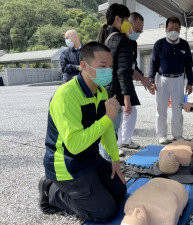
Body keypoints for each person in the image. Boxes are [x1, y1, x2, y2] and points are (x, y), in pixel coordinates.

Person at [39, 42, 127, 222]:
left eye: (110, 66)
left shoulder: (101, 92)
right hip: (67, 164)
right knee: (105, 212)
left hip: (91, 158)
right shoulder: (66, 96)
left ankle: (87, 187)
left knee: (120, 192)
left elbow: (106, 130)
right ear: (84, 65)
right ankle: (52, 191)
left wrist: (114, 159)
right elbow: (74, 145)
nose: (108, 71)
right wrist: (107, 118)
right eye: (103, 66)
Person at [96, 4, 138, 146]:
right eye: (127, 19)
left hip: (102, 90)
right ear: (118, 19)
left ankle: (105, 161)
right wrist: (127, 98)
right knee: (112, 131)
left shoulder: (103, 37)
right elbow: (123, 71)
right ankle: (109, 165)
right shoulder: (122, 40)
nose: (128, 23)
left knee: (104, 129)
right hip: (115, 92)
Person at [149, 16, 193, 144]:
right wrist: (151, 80)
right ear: (166, 29)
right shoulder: (159, 44)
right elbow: (153, 63)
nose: (173, 31)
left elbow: (188, 65)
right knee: (161, 108)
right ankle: (162, 135)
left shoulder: (184, 45)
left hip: (179, 79)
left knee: (177, 109)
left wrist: (190, 82)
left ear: (180, 29)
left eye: (176, 29)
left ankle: (177, 135)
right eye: (170, 28)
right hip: (162, 79)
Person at [117, 12, 152, 149]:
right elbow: (122, 68)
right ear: (128, 25)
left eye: (141, 31)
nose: (139, 33)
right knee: (120, 111)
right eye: (137, 30)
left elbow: (133, 65)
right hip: (118, 80)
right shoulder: (119, 40)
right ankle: (116, 145)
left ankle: (126, 140)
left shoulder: (133, 43)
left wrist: (143, 78)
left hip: (127, 79)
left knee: (131, 111)